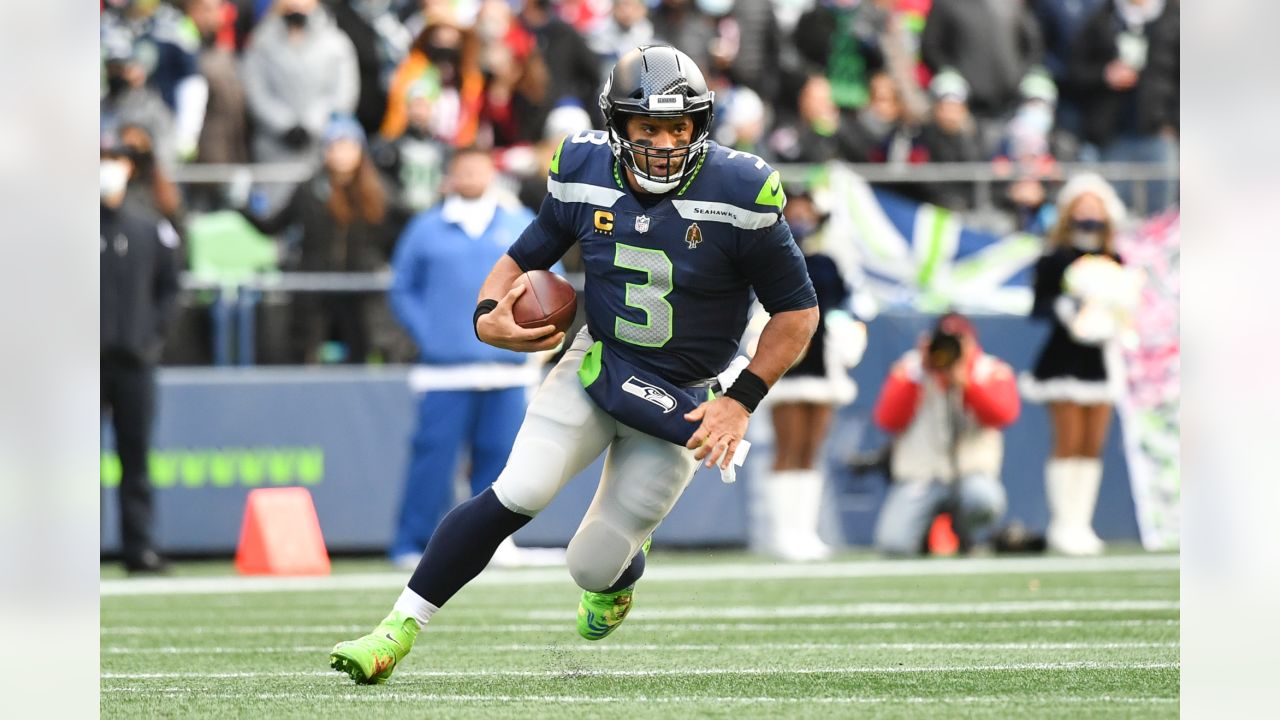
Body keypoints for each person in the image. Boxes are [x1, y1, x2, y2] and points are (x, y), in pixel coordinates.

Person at [330, 44, 818, 684]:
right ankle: (396, 627)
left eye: (679, 127)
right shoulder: (583, 168)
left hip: (685, 397)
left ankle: (623, 570)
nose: (666, 143)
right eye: (648, 127)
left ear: (701, 126)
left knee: (589, 565)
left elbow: (798, 313)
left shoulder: (741, 190)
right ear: (619, 127)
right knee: (519, 490)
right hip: (599, 364)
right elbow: (524, 256)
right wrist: (487, 314)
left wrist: (740, 399)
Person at [386, 148, 547, 568]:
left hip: (505, 369)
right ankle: (411, 542)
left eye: (479, 169)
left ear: (492, 174)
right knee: (433, 459)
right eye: (463, 170)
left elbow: (548, 284)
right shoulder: (425, 228)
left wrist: (531, 338)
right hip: (445, 370)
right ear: (450, 177)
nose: (471, 176)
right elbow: (402, 287)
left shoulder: (517, 223)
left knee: (501, 458)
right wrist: (432, 335)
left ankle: (493, 545)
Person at [1020, 173, 1133, 555]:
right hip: (1065, 356)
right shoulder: (1055, 258)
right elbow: (1038, 304)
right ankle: (1063, 523)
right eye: (1081, 205)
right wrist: (1070, 311)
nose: (1088, 212)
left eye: (1095, 205)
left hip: (1100, 356)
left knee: (1091, 444)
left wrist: (1113, 318)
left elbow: (1127, 304)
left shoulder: (1115, 259)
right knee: (1067, 440)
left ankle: (1082, 523)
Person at [755, 188, 865, 561]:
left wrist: (847, 332)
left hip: (823, 356)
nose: (802, 220)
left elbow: (847, 304)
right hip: (786, 357)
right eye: (795, 213)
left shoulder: (829, 261)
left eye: (808, 213)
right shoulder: (771, 255)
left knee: (811, 450)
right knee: (788, 445)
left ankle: (805, 531)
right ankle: (783, 532)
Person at [240, 115, 405, 363]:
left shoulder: (380, 191)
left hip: (360, 288)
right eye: (335, 146)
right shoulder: (309, 189)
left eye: (348, 146)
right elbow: (273, 225)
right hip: (314, 285)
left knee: (362, 350)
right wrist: (243, 204)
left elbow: (402, 231)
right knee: (305, 351)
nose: (341, 154)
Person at [872, 313, 1020, 555]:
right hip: (922, 476)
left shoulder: (990, 369)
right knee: (893, 544)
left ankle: (967, 533)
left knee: (985, 500)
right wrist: (920, 374)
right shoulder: (911, 368)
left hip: (971, 476)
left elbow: (1003, 415)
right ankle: (924, 535)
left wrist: (967, 384)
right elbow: (888, 420)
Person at [100, 138, 181, 574]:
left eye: (113, 160)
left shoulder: (148, 226)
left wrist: (151, 337)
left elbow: (170, 287)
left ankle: (140, 547)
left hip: (134, 360)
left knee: (136, 459)